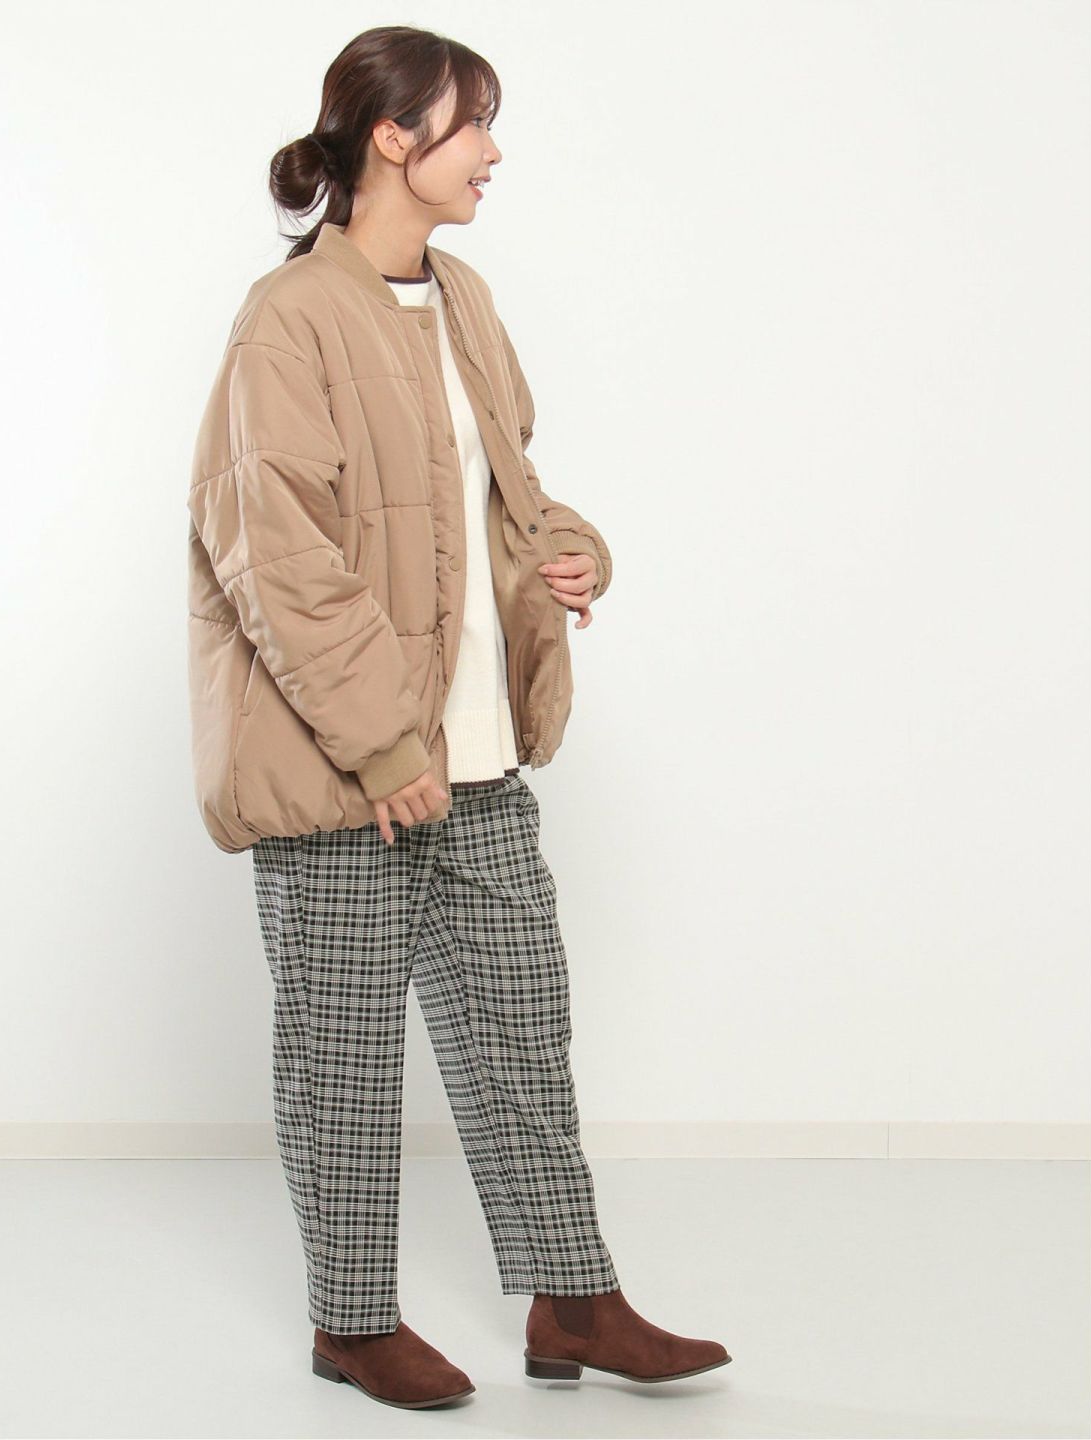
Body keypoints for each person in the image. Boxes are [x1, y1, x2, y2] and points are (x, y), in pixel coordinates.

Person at [186, 23, 732, 1411]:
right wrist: (382, 743)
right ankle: (351, 1322)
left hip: (479, 756)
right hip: (346, 771)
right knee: (345, 1059)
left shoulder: (468, 299)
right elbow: (276, 556)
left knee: (520, 1037)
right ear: (393, 138)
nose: (492, 150)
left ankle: (573, 1300)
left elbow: (506, 490)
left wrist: (572, 552)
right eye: (472, 121)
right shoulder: (290, 319)